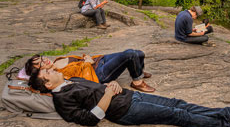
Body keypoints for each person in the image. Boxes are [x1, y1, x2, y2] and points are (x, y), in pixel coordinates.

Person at [28, 67, 230, 127]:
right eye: (48, 72)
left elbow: (98, 87)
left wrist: (110, 85)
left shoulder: (70, 79)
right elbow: (90, 118)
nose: (51, 68)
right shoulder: (62, 100)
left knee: (177, 103)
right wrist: (107, 94)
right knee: (175, 115)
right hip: (125, 112)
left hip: (130, 95)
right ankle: (223, 125)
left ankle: (225, 112)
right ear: (48, 84)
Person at [24, 49, 155, 93]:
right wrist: (88, 63)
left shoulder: (57, 60)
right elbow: (83, 80)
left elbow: (78, 61)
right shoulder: (57, 74)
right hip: (98, 73)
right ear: (39, 72)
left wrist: (86, 58)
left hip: (97, 60)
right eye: (40, 64)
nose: (45, 60)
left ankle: (138, 71)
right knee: (130, 54)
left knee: (138, 53)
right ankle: (137, 82)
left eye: (42, 58)